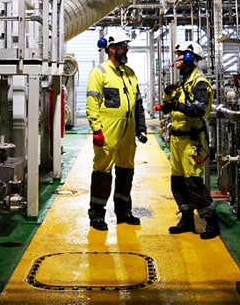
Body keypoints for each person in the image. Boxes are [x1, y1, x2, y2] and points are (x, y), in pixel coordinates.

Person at [85, 27, 148, 231]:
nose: (126, 50)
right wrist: (96, 129)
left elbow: (138, 104)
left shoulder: (130, 74)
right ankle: (97, 215)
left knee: (126, 172)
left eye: (126, 46)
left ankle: (123, 212)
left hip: (127, 135)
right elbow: (92, 102)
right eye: (123, 46)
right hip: (107, 133)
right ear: (111, 49)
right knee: (102, 173)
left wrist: (141, 128)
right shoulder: (100, 73)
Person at [157, 41, 219, 239]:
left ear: (191, 58)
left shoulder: (199, 82)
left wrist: (177, 105)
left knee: (193, 182)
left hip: (192, 140)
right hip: (177, 140)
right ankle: (186, 219)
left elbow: (199, 110)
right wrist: (167, 96)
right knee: (178, 182)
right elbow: (168, 107)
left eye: (181, 55)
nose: (177, 59)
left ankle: (211, 221)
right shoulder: (184, 82)